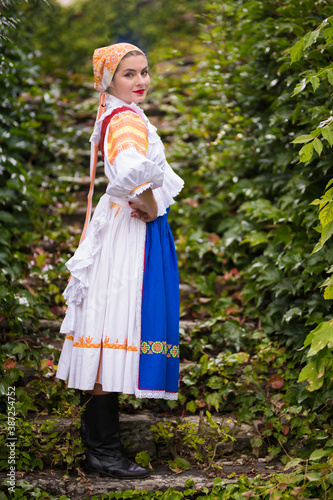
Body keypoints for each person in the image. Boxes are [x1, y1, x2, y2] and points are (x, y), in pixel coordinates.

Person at [56, 43, 184, 479]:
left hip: (119, 228)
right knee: (111, 324)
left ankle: (101, 448)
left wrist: (145, 198)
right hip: (127, 232)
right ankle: (103, 452)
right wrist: (148, 202)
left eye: (144, 72)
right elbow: (130, 169)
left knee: (107, 327)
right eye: (129, 74)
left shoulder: (120, 113)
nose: (141, 81)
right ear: (109, 80)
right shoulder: (126, 118)